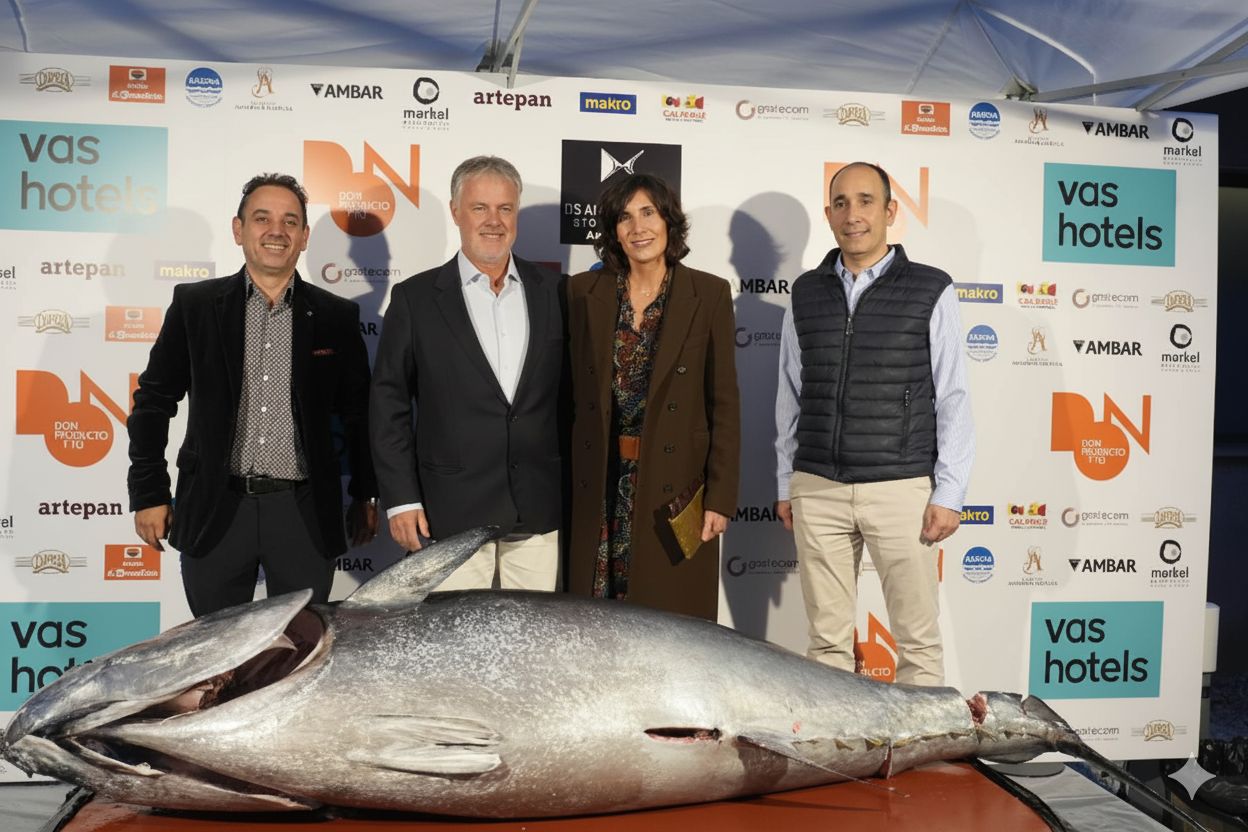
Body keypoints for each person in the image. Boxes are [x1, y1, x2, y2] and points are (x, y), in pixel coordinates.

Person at [127, 172, 378, 617]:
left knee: (298, 653)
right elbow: (153, 402)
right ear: (238, 230)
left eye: (290, 221)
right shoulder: (195, 306)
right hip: (214, 509)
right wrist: (148, 492)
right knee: (213, 659)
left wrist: (365, 494)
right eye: (262, 218)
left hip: (302, 514)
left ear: (302, 238)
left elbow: (359, 415)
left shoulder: (336, 317)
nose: (276, 231)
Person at [774, 161, 974, 686]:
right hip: (817, 486)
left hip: (900, 486)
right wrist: (784, 482)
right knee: (826, 642)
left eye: (865, 201)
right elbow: (790, 394)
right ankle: (836, 757)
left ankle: (921, 757)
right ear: (828, 214)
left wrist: (950, 491)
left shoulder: (932, 289)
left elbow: (953, 394)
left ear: (889, 211)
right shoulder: (805, 292)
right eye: (840, 203)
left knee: (918, 641)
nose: (852, 214)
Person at [370, 156, 566, 590]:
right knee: (452, 650)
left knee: (533, 647)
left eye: (505, 209)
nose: (493, 221)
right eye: (479, 208)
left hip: (536, 507)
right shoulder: (415, 299)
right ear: (456, 212)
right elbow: (389, 406)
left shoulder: (556, 292)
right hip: (449, 511)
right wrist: (401, 500)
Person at [566, 173, 740, 621]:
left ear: (668, 222)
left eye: (648, 213)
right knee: (596, 622)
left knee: (669, 626)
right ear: (611, 230)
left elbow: (723, 402)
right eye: (624, 217)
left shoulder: (709, 293)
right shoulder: (582, 293)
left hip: (674, 489)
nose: (638, 227)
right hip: (599, 483)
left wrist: (720, 497)